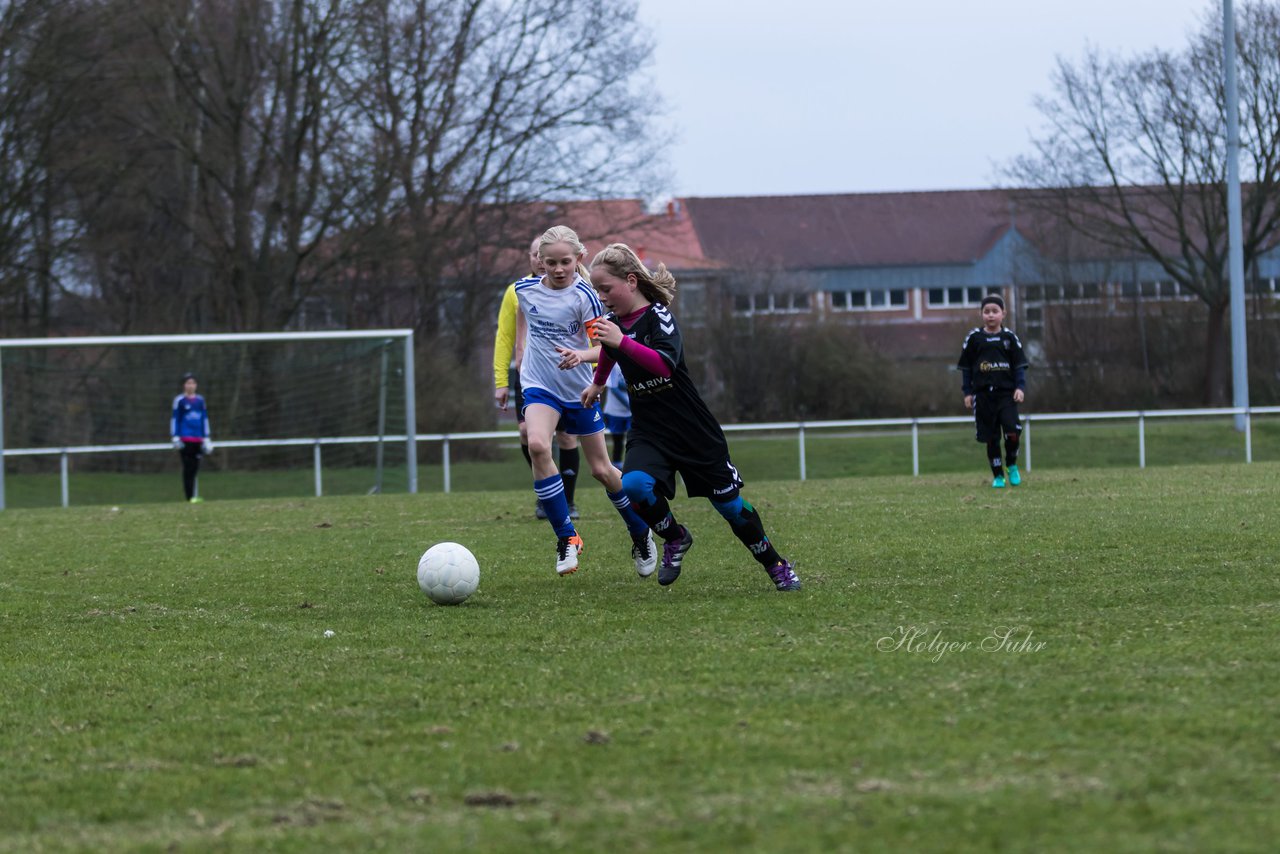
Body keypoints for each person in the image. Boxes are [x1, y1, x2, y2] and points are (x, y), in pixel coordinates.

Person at [578, 243, 801, 592]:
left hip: (692, 429)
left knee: (729, 507)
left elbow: (665, 366)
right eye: (598, 290)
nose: (602, 297)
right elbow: (609, 350)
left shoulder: (659, 316)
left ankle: (775, 564)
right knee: (634, 484)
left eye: (606, 289)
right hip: (650, 429)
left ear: (632, 281)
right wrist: (597, 384)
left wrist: (621, 342)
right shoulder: (612, 325)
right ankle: (676, 537)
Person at [515, 225, 656, 577]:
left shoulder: (585, 297)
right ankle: (567, 538)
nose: (558, 268)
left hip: (579, 390)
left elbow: (607, 346)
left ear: (578, 259)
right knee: (536, 444)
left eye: (565, 261)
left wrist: (580, 355)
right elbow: (524, 327)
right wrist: (519, 363)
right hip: (539, 385)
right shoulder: (524, 291)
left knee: (602, 470)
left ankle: (640, 531)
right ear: (539, 263)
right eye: (550, 262)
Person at [493, 236, 580, 519]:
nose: (543, 263)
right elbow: (505, 336)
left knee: (567, 437)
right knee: (529, 435)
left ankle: (568, 501)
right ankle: (545, 493)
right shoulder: (517, 291)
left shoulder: (579, 290)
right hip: (529, 375)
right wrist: (501, 381)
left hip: (568, 374)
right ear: (536, 258)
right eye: (535, 256)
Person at [956, 294, 1030, 488]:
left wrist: (1020, 388)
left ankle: (1012, 464)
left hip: (1006, 394)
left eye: (995, 311)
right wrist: (967, 392)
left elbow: (1019, 366)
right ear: (981, 314)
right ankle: (998, 476)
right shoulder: (974, 339)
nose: (991, 315)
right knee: (991, 438)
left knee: (1013, 432)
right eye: (986, 311)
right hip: (983, 396)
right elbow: (966, 368)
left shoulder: (1009, 338)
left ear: (1003, 314)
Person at [170, 372, 213, 502]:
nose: (191, 385)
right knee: (187, 469)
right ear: (184, 385)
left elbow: (204, 419)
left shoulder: (200, 400)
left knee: (195, 468)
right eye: (188, 383)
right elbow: (175, 419)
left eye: (193, 383)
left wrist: (206, 437)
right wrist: (175, 437)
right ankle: (189, 497)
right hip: (185, 439)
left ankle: (194, 496)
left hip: (198, 439)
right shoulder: (180, 401)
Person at [601, 362, 631, 466]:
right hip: (615, 411)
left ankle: (633, 464)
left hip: (631, 413)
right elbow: (614, 388)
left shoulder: (635, 361)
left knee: (634, 439)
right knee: (618, 440)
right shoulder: (612, 363)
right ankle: (617, 465)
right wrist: (629, 405)